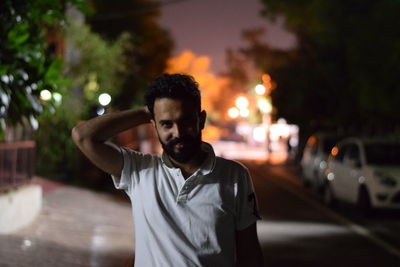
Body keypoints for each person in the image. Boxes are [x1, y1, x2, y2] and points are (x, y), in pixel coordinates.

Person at [72, 73, 264, 267]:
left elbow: (250, 253)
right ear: (154, 125)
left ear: (201, 120)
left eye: (186, 122)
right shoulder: (139, 171)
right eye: (166, 124)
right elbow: (83, 136)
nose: (177, 132)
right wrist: (146, 112)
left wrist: (158, 113)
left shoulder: (235, 176)